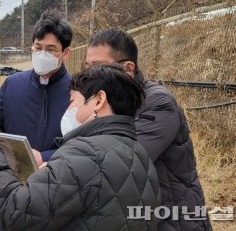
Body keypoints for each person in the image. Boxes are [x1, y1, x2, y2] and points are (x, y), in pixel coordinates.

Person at [0, 64, 160, 231]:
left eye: (72, 102)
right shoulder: (139, 155)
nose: (68, 110)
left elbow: (15, 212)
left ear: (99, 100)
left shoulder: (85, 154)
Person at [85, 28, 212, 231]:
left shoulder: (157, 102)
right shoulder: (105, 101)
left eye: (98, 67)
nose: (89, 76)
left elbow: (124, 162)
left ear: (128, 68)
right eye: (87, 67)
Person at [0, 10, 72, 165]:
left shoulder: (78, 91)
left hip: (57, 179)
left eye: (51, 49)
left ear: (65, 53)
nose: (43, 54)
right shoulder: (12, 84)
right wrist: (12, 150)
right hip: (12, 176)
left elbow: (84, 143)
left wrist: (46, 157)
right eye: (38, 47)